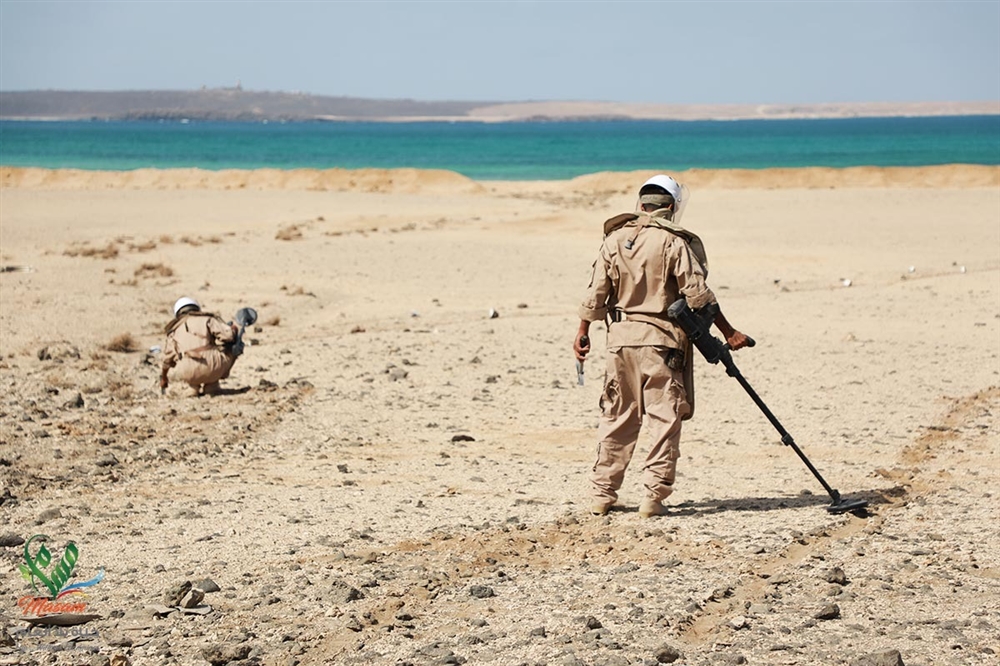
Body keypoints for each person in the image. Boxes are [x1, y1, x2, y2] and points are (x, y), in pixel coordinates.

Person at [574, 174, 750, 518]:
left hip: (620, 342)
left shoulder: (613, 241)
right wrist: (729, 333)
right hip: (661, 344)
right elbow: (699, 297)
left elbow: (595, 294)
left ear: (641, 205)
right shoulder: (673, 243)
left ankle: (602, 494)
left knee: (617, 416)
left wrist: (582, 333)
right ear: (672, 207)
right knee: (663, 418)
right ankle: (653, 498)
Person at [160, 297, 239, 397]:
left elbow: (167, 360)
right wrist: (234, 330)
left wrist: (164, 378)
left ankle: (193, 387)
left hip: (187, 372)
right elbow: (228, 336)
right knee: (234, 348)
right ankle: (212, 385)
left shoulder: (174, 330)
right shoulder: (208, 319)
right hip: (213, 369)